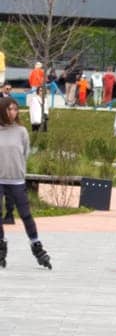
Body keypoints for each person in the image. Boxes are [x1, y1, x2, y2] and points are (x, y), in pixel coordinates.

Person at [0, 97, 50, 269]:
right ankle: (1, 244)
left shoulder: (21, 131)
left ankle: (36, 245)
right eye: (10, 109)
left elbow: (25, 152)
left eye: (15, 109)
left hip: (17, 180)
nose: (13, 113)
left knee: (25, 214)